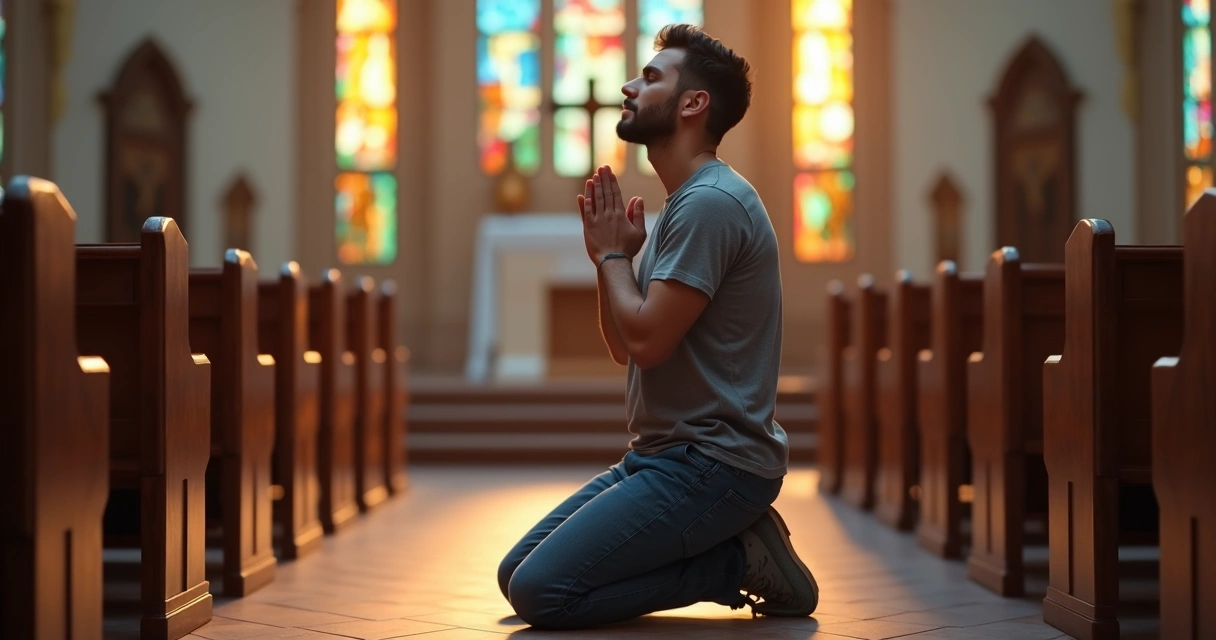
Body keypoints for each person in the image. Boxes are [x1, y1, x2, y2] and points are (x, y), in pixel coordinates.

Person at [497, 24, 818, 630]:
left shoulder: (710, 204)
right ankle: (728, 544)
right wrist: (608, 258)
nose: (627, 86)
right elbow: (625, 346)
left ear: (693, 103)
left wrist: (614, 256)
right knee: (515, 574)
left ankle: (733, 561)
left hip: (712, 463)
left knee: (544, 594)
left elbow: (645, 340)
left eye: (649, 77)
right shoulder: (684, 204)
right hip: (661, 456)